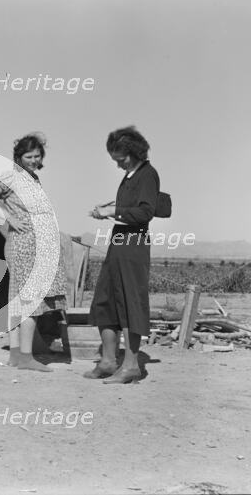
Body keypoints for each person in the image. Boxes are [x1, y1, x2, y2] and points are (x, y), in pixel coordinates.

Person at [0, 133, 66, 372]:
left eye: (37, 156)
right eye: (28, 156)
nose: (34, 160)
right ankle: (26, 356)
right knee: (31, 300)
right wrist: (9, 218)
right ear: (19, 157)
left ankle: (16, 355)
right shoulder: (12, 176)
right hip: (25, 244)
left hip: (36, 244)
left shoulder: (32, 179)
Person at [86, 126, 160, 384]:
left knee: (130, 302)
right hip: (118, 241)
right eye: (115, 160)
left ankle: (131, 366)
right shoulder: (130, 176)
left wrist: (111, 212)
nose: (118, 164)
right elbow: (128, 209)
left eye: (121, 159)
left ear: (134, 151)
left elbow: (145, 212)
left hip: (134, 244)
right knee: (105, 299)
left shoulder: (148, 175)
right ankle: (108, 361)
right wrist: (111, 209)